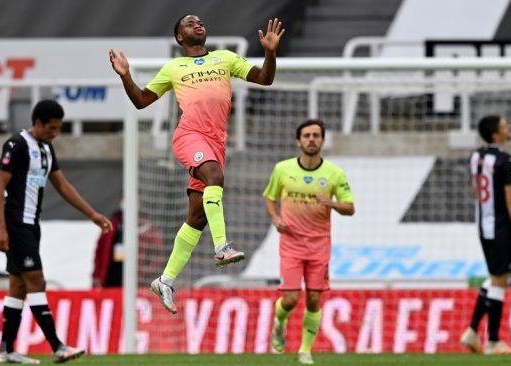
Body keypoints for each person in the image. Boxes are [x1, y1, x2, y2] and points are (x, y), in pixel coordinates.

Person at [109, 14, 285, 314]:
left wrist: (270, 52)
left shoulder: (225, 59)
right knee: (214, 177)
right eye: (189, 24)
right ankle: (222, 247)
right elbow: (140, 100)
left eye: (200, 21)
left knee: (197, 217)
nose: (197, 24)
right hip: (190, 136)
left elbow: (265, 79)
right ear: (180, 37)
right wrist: (125, 75)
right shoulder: (173, 68)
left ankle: (165, 279)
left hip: (216, 143)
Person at [0, 99, 113, 364]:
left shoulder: (46, 148)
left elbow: (62, 184)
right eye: (52, 128)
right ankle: (57, 346)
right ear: (37, 123)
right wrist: (1, 228)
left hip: (32, 225)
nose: (55, 134)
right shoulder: (17, 145)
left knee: (18, 286)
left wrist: (92, 214)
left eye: (58, 129)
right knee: (37, 282)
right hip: (16, 224)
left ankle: (5, 350)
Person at [264, 119, 355, 365]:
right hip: (292, 243)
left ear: (323, 141)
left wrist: (331, 203)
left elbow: (350, 207)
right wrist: (275, 218)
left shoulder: (334, 174)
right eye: (306, 135)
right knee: (291, 299)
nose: (311, 139)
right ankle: (279, 322)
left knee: (314, 299)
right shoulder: (282, 169)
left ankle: (305, 350)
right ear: (298, 141)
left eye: (316, 135)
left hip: (319, 245)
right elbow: (270, 198)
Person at [460, 115, 511, 355]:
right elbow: (509, 199)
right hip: (500, 227)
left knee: (496, 277)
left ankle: (472, 331)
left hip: (482, 225)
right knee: (501, 280)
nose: (509, 126)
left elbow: (475, 189)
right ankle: (494, 341)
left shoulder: (475, 156)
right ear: (496, 134)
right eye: (505, 124)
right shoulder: (505, 161)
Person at [92, 200, 163, 288]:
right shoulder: (113, 223)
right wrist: (97, 275)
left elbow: (158, 255)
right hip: (112, 279)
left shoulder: (146, 227)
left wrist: (146, 271)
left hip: (137, 280)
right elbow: (100, 251)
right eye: (124, 198)